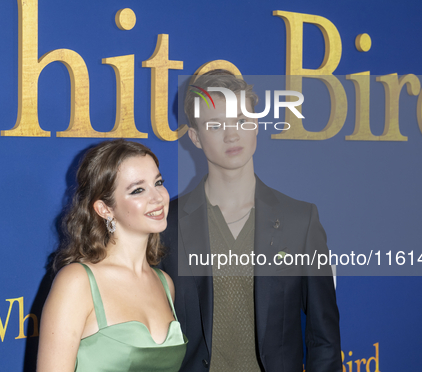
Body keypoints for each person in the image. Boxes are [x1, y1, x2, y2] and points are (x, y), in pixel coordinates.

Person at [159, 70, 341, 371]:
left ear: (256, 124)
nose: (232, 135)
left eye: (241, 121)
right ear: (195, 137)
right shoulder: (168, 224)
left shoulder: (301, 220)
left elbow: (324, 339)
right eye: (215, 125)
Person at [37, 139, 187, 372]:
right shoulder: (77, 282)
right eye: (138, 190)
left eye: (158, 183)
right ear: (105, 209)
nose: (158, 197)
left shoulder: (164, 283)